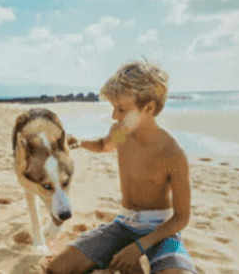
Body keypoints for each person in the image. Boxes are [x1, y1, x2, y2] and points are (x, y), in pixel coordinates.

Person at [48, 61, 198, 274]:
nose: (114, 116)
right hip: (124, 224)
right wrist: (80, 142)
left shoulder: (172, 155)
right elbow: (104, 145)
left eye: (121, 109)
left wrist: (139, 247)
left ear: (148, 108)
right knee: (57, 269)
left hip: (161, 231)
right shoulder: (121, 134)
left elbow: (181, 218)